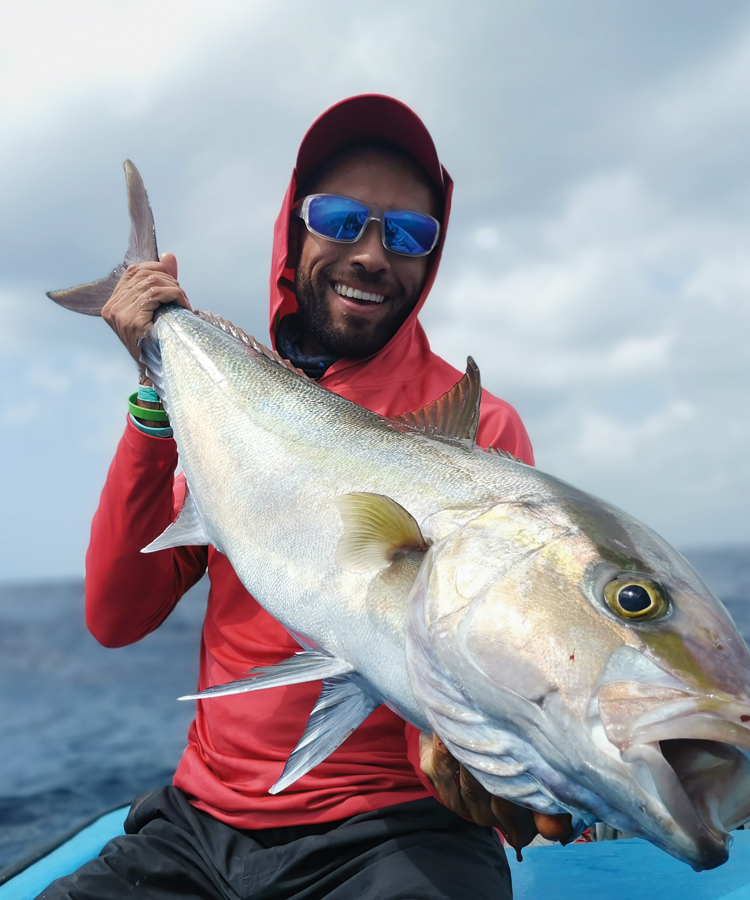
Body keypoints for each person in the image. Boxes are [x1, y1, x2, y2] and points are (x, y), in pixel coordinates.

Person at [40, 95, 570, 900]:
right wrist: (156, 401)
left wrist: (484, 748)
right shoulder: (240, 413)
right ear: (295, 228)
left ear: (431, 260)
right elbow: (117, 618)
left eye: (408, 234)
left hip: (391, 831)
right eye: (341, 217)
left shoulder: (480, 430)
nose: (371, 252)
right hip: (199, 824)